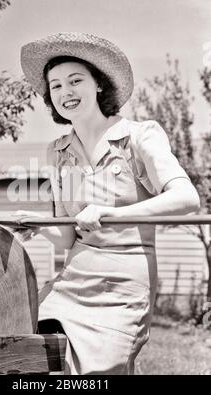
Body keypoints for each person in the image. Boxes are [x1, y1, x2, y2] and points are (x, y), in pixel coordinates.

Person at [19, 32, 200, 375]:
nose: (65, 92)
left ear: (99, 84)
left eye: (75, 81)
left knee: (98, 374)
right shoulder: (56, 152)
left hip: (124, 285)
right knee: (23, 350)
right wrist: (41, 225)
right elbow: (69, 238)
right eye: (55, 86)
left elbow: (187, 198)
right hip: (73, 279)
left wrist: (112, 213)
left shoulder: (140, 135)